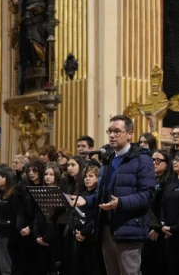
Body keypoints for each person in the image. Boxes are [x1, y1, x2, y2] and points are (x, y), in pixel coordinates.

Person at [71, 114, 155, 275]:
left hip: (128, 227)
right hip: (106, 228)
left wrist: (121, 202)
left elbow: (148, 195)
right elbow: (102, 195)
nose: (112, 135)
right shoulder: (108, 160)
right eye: (109, 131)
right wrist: (85, 200)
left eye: (117, 131)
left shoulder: (142, 159)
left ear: (130, 134)